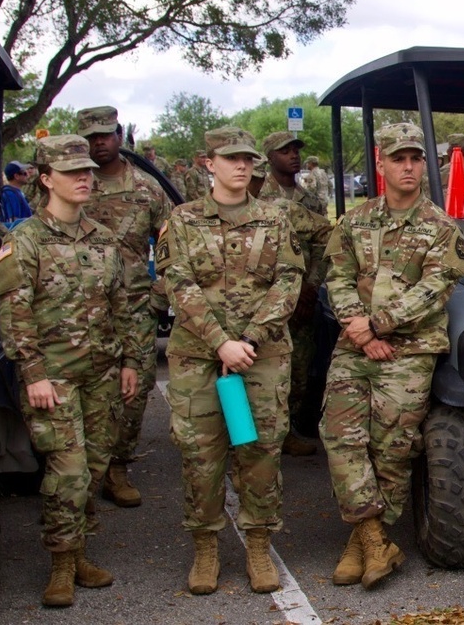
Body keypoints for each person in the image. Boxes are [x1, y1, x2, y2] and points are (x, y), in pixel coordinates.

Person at [320, 122, 464, 590]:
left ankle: (367, 539)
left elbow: (436, 288)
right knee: (340, 435)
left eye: (415, 158)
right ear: (381, 164)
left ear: (425, 164)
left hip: (411, 349)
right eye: (398, 158)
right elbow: (338, 277)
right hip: (356, 344)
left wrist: (380, 325)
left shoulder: (442, 228)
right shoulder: (354, 221)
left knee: (391, 448)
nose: (408, 166)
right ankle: (371, 537)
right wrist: (360, 331)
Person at [156, 126, 303, 596]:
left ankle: (258, 545)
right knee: (201, 454)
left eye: (247, 159)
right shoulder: (182, 220)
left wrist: (250, 340)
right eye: (231, 158)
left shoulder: (275, 218)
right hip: (199, 355)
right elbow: (177, 283)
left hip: (262, 354)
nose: (242, 166)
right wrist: (222, 342)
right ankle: (206, 547)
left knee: (260, 451)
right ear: (208, 163)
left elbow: (289, 282)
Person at [0, 134, 139, 607]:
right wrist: (33, 372)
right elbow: (15, 315)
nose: (84, 178)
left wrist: (129, 362)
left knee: (94, 469)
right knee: (69, 471)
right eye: (73, 172)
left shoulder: (103, 239)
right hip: (52, 378)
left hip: (101, 374)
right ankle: (60, 563)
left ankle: (78, 552)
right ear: (45, 179)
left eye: (88, 172)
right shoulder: (25, 241)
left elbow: (122, 305)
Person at [76, 106, 170, 510]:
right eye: (91, 137)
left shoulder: (146, 188)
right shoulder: (70, 185)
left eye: (105, 135)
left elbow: (170, 246)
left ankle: (116, 467)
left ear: (118, 136)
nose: (100, 142)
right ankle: (79, 474)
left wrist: (159, 294)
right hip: (76, 309)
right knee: (81, 388)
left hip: (134, 307)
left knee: (136, 387)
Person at [259, 132, 331, 455]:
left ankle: (285, 433)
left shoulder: (311, 201)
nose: (293, 155)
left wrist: (311, 286)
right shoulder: (257, 195)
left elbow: (323, 245)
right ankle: (254, 437)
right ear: (268, 157)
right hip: (263, 297)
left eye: (296, 150)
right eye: (284, 151)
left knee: (298, 368)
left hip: (302, 298)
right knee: (261, 368)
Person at [0, 160, 34, 229]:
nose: (27, 175)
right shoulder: (11, 194)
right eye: (24, 173)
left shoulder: (16, 192)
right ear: (16, 176)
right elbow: (13, 222)